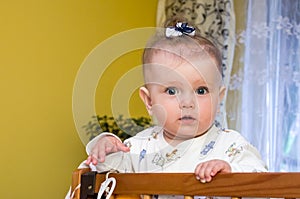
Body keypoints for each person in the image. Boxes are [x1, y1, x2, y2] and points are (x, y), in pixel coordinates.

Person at [83, 20, 267, 188]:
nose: (187, 103)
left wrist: (231, 171)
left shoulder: (231, 145)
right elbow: (107, 176)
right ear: (149, 101)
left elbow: (264, 181)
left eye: (201, 91)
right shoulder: (140, 147)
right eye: (171, 91)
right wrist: (106, 148)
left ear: (219, 98)